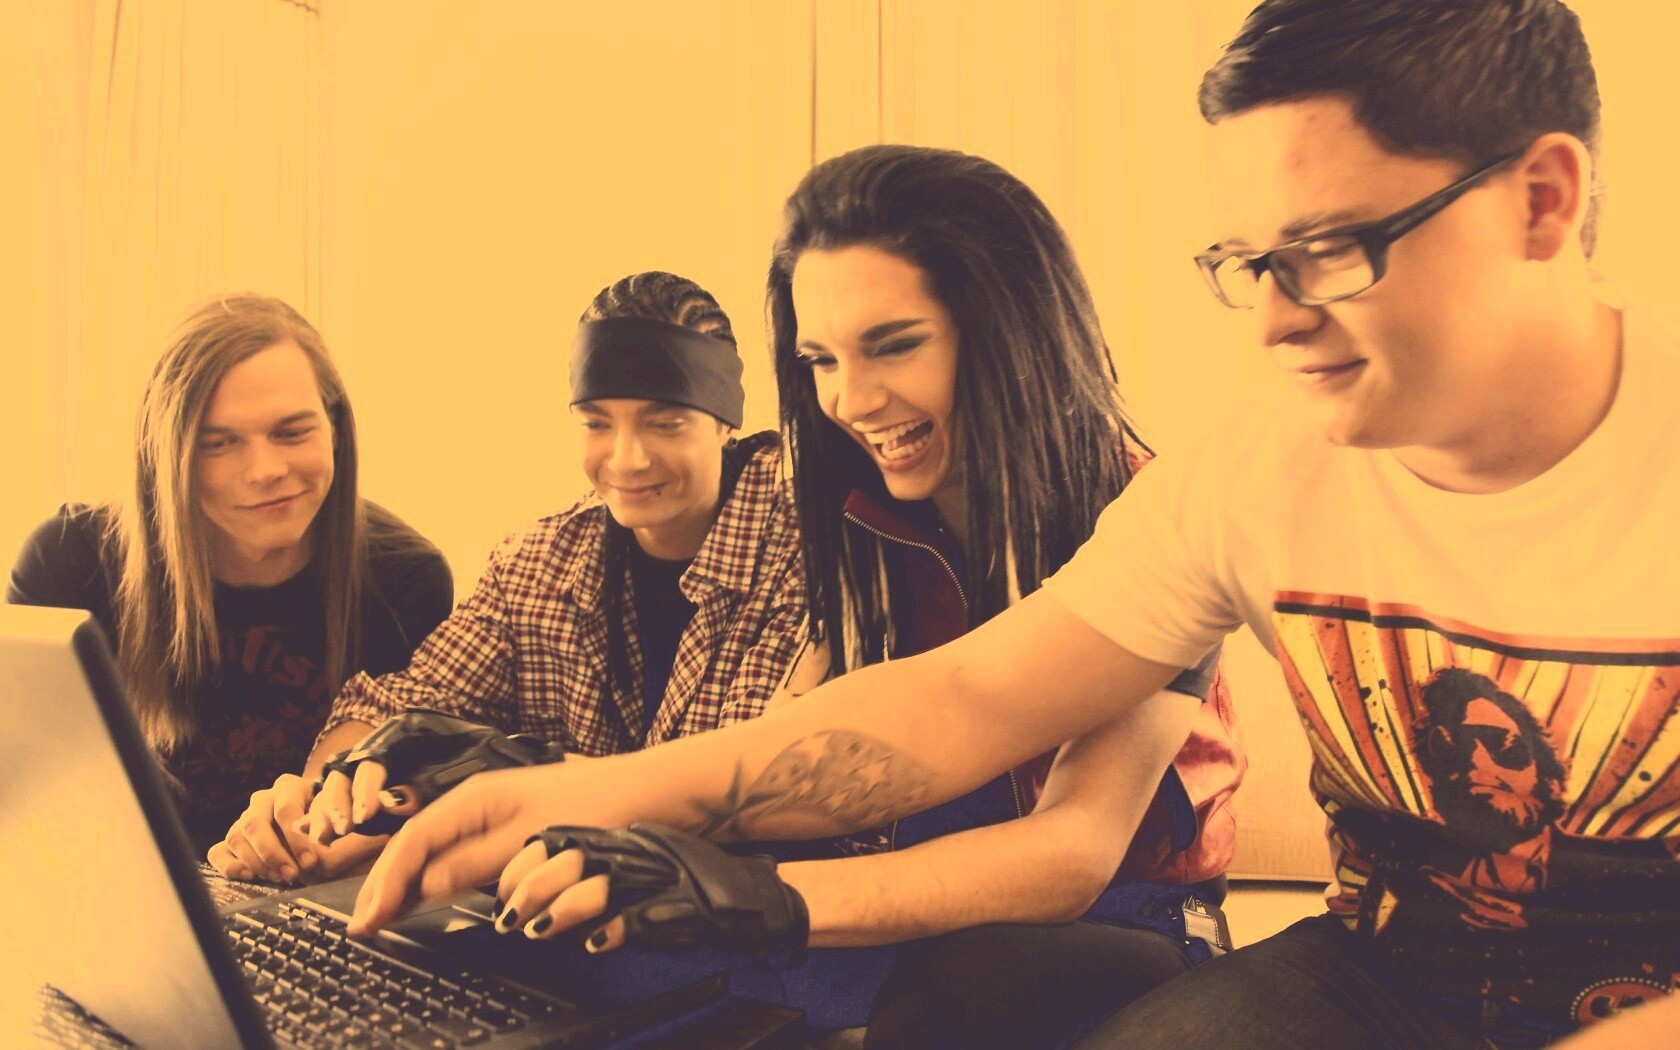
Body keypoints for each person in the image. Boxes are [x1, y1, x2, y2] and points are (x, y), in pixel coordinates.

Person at [346, 0, 1680, 1045]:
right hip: (1379, 973)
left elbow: (1070, 851)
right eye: (1249, 266)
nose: (1275, 322)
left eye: (1327, 251)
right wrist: (561, 794)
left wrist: (764, 898)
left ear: (1542, 200)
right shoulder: (1254, 467)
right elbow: (963, 701)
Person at [316, 149, 1244, 1044]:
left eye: (893, 346)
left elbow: (1072, 854)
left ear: (1010, 329)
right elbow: (805, 756)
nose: (852, 399)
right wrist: (526, 776)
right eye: (821, 361)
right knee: (524, 951)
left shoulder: (1141, 512)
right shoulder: (859, 504)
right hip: (914, 901)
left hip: (1118, 916)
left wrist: (752, 898)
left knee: (962, 1000)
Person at [211, 271, 808, 886]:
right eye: (596, 423)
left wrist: (517, 769)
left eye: (666, 423)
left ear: (726, 421)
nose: (626, 458)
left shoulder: (812, 554)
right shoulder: (538, 560)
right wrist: (320, 806)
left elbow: (752, 792)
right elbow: (400, 704)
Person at [6, 293, 451, 852]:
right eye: (218, 444)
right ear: (163, 453)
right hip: (130, 873)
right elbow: (26, 786)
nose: (265, 470)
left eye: (292, 432)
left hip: (319, 882)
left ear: (335, 428)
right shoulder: (70, 562)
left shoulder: (405, 579)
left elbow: (399, 798)